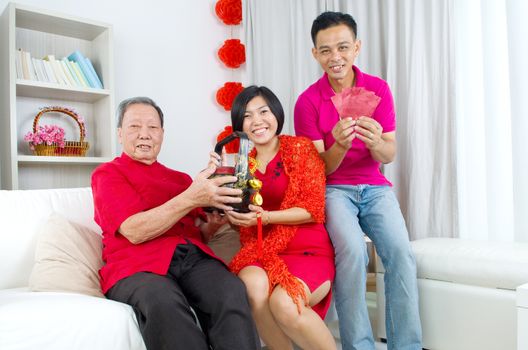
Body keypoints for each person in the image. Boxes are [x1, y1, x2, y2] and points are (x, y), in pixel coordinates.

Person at [294, 11, 422, 350]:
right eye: (325, 50)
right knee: (351, 252)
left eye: (342, 47)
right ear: (315, 54)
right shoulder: (307, 102)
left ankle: (406, 345)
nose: (335, 57)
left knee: (400, 253)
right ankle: (359, 346)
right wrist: (340, 144)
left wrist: (375, 141)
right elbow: (317, 170)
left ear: (357, 47)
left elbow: (388, 155)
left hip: (375, 187)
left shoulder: (377, 89)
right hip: (334, 190)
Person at [91, 96, 260, 350]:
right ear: (119, 133)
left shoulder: (180, 179)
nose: (144, 135)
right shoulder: (108, 174)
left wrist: (212, 224)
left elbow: (196, 233)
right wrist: (191, 197)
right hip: (136, 266)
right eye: (134, 127)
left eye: (152, 127)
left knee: (230, 290)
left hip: (190, 259)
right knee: (163, 301)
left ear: (162, 133)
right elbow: (134, 231)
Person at [209, 85, 336, 350]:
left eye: (263, 111)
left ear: (276, 113)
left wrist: (266, 218)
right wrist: (221, 193)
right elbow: (243, 218)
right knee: (250, 285)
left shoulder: (300, 148)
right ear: (239, 126)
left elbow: (313, 209)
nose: (257, 121)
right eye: (247, 116)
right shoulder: (243, 164)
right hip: (263, 249)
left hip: (307, 249)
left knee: (284, 303)